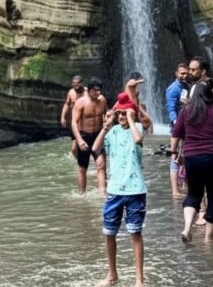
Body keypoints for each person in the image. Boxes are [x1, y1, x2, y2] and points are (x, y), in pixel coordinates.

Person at [169, 79, 213, 244]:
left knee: (193, 194)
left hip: (191, 158)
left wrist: (174, 153)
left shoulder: (186, 111)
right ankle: (208, 242)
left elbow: (175, 134)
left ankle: (186, 228)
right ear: (210, 94)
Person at [92, 94, 146, 287]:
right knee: (109, 232)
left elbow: (138, 139)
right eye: (119, 113)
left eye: (124, 113)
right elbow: (95, 148)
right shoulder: (112, 131)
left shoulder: (136, 128)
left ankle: (139, 279)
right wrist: (106, 127)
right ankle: (112, 274)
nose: (121, 116)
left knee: (135, 233)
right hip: (115, 190)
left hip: (135, 190)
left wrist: (132, 118)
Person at [72, 78, 109, 195]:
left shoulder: (102, 101)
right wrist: (79, 139)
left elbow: (106, 115)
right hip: (84, 136)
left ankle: (102, 194)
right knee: (82, 168)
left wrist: (108, 120)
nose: (98, 93)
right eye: (95, 90)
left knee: (101, 165)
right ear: (89, 90)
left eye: (99, 90)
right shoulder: (80, 102)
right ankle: (82, 194)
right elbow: (74, 122)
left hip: (98, 136)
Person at [164, 64, 188, 199]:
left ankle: (184, 185)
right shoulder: (173, 89)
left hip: (187, 126)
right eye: (182, 73)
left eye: (186, 73)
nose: (184, 76)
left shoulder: (186, 86)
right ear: (176, 73)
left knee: (184, 155)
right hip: (178, 126)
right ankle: (174, 190)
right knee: (175, 156)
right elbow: (171, 108)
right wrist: (176, 123)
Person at [61, 76, 85, 156]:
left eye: (77, 83)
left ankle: (88, 161)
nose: (75, 85)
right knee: (74, 148)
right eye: (73, 83)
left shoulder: (87, 92)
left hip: (86, 122)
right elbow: (67, 104)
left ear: (81, 83)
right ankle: (77, 161)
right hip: (75, 122)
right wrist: (63, 117)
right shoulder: (71, 92)